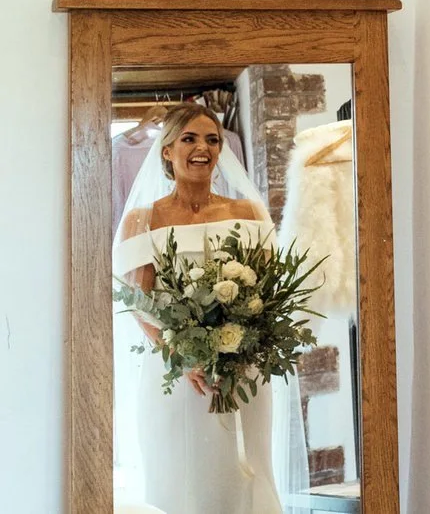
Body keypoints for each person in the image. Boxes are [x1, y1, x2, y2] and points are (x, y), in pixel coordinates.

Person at [112, 103, 306, 514]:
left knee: (243, 471)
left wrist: (242, 350)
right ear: (167, 151)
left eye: (212, 139)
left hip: (243, 370)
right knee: (179, 476)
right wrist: (181, 356)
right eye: (189, 138)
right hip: (175, 371)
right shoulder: (141, 220)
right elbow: (139, 305)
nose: (203, 148)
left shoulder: (248, 213)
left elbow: (268, 294)